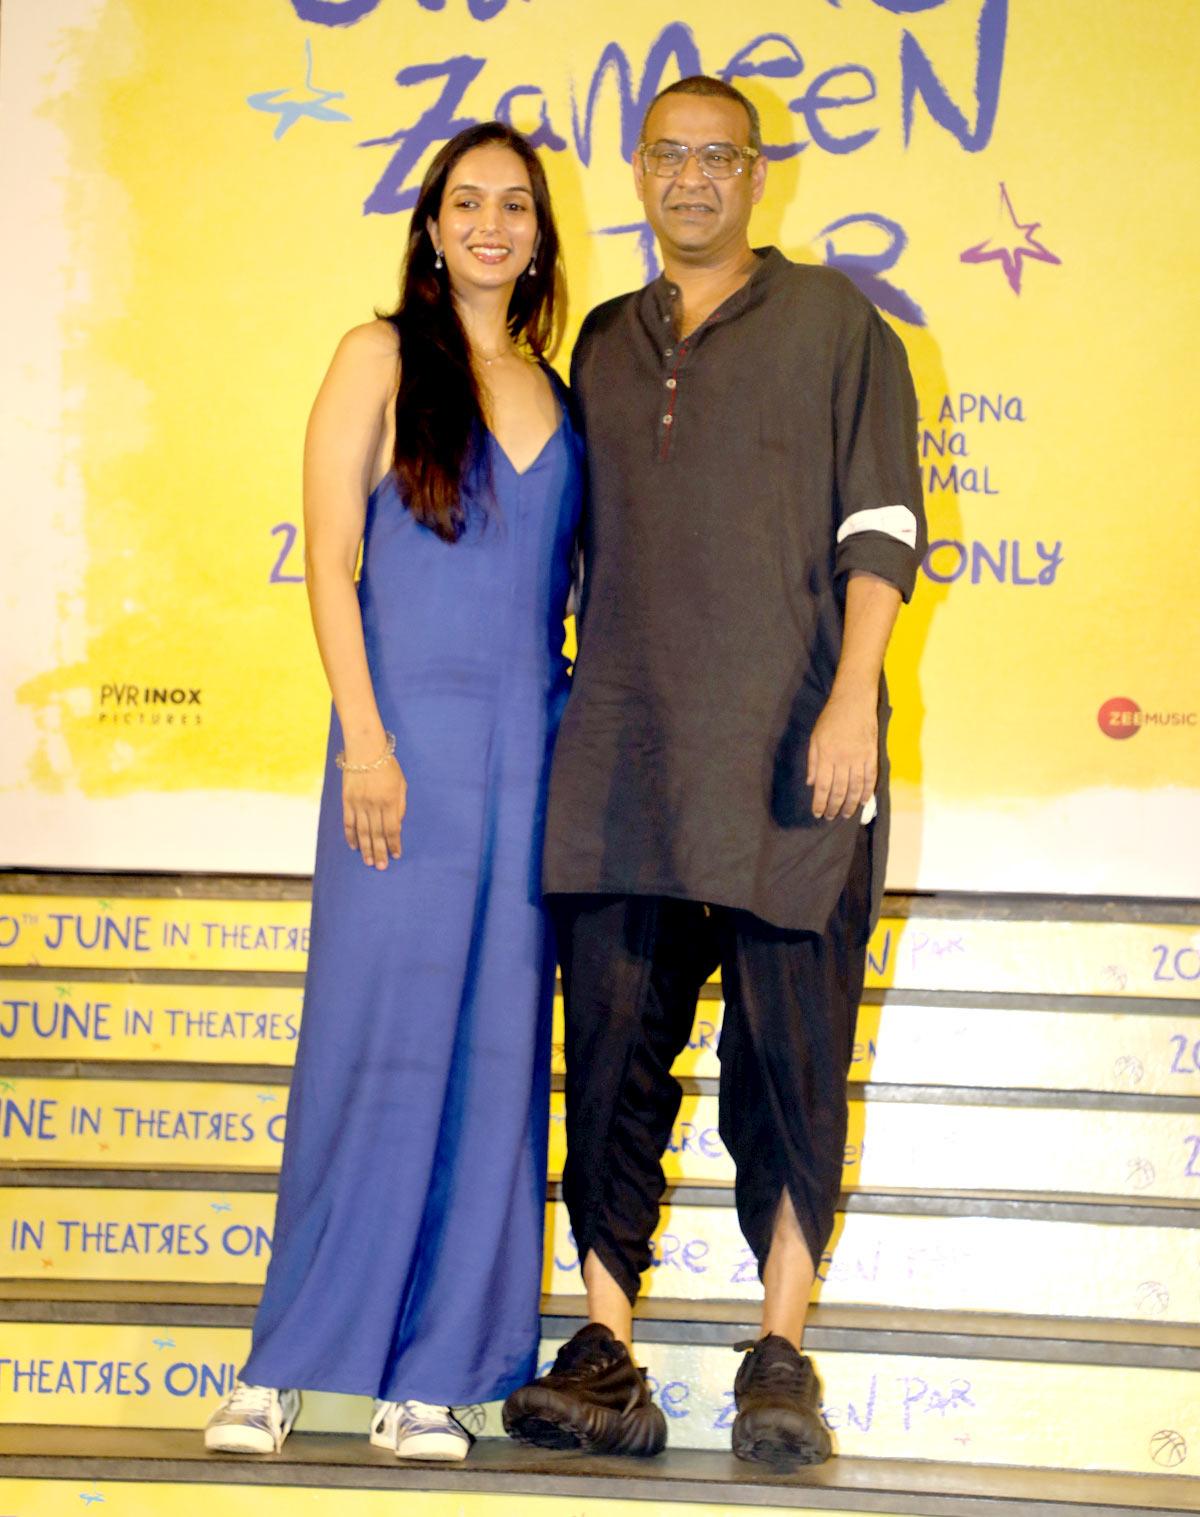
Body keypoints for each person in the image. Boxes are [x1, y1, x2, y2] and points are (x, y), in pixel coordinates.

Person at [502, 76, 925, 1467]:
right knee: (610, 1053)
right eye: (670, 156)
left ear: (757, 175)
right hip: (625, 759)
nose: (692, 178)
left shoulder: (837, 324)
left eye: (718, 158)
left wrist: (852, 699)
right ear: (638, 171)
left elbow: (883, 526)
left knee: (788, 1063)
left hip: (794, 759)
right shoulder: (603, 344)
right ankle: (604, 1348)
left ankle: (779, 1354)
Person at [204, 122, 581, 1462]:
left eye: (515, 206)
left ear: (540, 236)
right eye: (467, 201)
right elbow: (330, 560)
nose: (491, 224)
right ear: (430, 227)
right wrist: (365, 740)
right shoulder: (376, 356)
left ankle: (439, 1377)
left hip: (532, 760)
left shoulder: (561, 390)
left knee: (494, 1061)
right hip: (399, 748)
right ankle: (287, 1363)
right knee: (368, 1043)